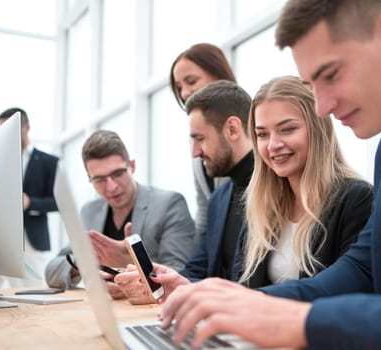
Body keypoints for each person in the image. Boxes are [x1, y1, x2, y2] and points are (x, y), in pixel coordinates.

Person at [156, 0, 381, 349]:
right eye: (312, 86)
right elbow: (362, 268)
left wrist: (304, 323)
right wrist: (239, 302)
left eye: (331, 74)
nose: (323, 106)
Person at [115, 80, 253, 304]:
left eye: (200, 138)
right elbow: (196, 271)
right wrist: (156, 284)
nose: (195, 152)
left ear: (232, 129)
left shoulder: (277, 190)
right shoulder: (220, 198)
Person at [238, 75, 372, 287]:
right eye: (262, 134)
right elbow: (242, 292)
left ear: (317, 128)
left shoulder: (356, 199)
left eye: (287, 129)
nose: (273, 145)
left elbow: (348, 290)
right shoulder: (262, 208)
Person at [45, 130, 196, 297]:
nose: (111, 187)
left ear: (132, 166)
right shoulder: (90, 211)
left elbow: (179, 273)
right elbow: (52, 272)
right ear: (89, 179)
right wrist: (85, 261)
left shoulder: (169, 204)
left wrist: (132, 262)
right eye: (99, 179)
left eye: (117, 174)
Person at [170, 43, 236, 236]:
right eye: (179, 87)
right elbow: (204, 210)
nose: (184, 93)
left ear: (219, 75)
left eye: (191, 81)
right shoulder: (195, 139)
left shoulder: (252, 127)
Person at [0, 107, 58, 287]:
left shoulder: (48, 162)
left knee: (32, 288)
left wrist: (31, 203)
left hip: (32, 237)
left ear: (27, 128)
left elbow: (58, 202)